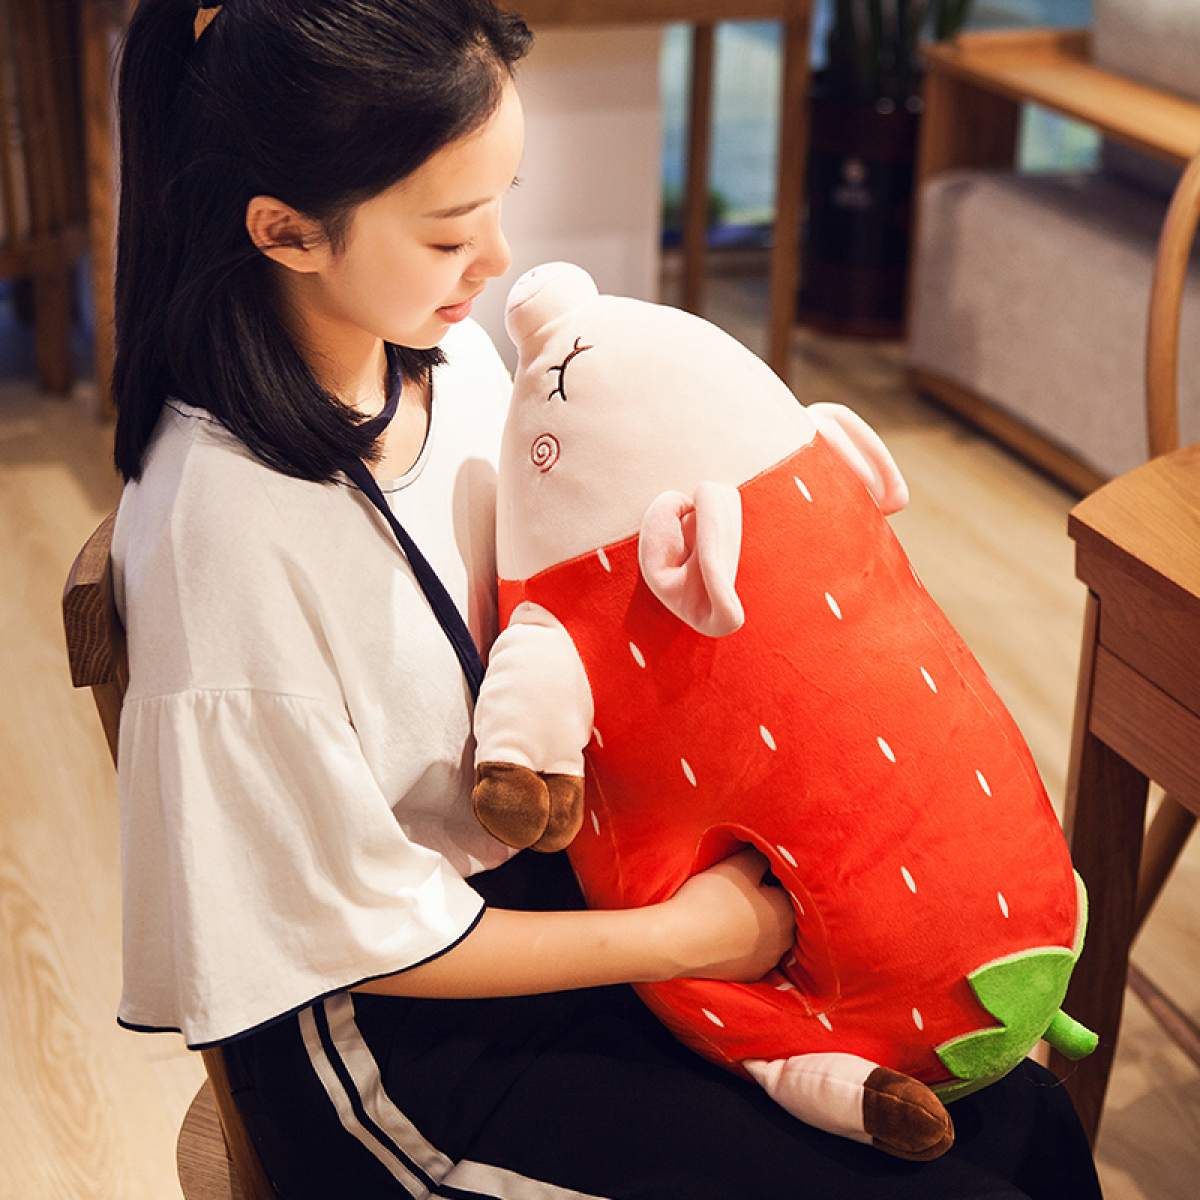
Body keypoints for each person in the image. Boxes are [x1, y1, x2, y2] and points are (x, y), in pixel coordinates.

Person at [109, 2, 1105, 1197]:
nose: (495, 260)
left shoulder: (446, 360)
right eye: (447, 233)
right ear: (287, 232)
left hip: (586, 901)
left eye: (501, 201)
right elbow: (338, 939)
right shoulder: (223, 534)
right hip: (401, 1052)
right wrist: (688, 937)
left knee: (1025, 1121)